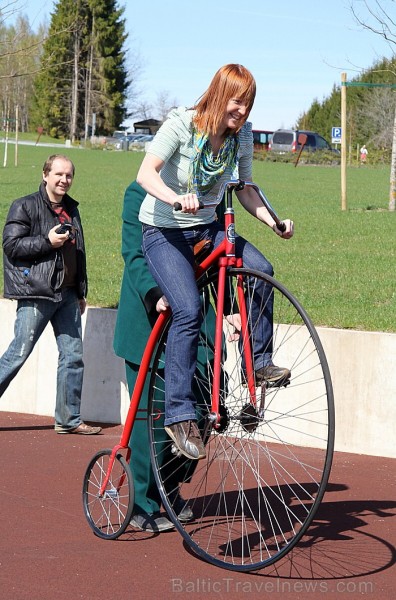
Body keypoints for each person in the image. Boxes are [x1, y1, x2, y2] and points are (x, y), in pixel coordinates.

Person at [136, 63, 294, 461]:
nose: (242, 110)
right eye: (237, 101)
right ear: (220, 94)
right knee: (188, 310)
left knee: (261, 270)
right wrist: (173, 198)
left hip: (207, 230)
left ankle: (258, 362)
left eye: (248, 103)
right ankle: (178, 415)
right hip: (164, 233)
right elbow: (145, 174)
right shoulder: (182, 125)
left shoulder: (239, 139)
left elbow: (245, 190)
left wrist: (274, 222)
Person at [114, 179, 223, 532]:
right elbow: (134, 253)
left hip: (194, 321)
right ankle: (141, 501)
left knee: (207, 405)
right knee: (154, 420)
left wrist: (232, 309)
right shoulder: (138, 194)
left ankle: (169, 486)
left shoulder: (207, 192)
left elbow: (219, 252)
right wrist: (155, 293)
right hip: (151, 320)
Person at [0, 154, 101, 435]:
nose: (64, 180)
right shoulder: (25, 205)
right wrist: (48, 241)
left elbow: (79, 253)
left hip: (67, 294)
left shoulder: (72, 209)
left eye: (68, 175)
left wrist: (81, 291)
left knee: (73, 356)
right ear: (45, 174)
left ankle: (68, 420)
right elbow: (11, 245)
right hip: (37, 293)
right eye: (58, 174)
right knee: (18, 354)